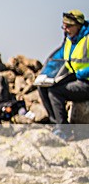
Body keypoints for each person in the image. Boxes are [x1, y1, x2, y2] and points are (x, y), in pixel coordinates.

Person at [36, 10, 89, 141]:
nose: (65, 29)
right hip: (76, 76)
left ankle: (65, 132)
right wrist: (45, 75)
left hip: (86, 81)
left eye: (69, 26)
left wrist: (83, 73)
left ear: (79, 25)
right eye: (64, 26)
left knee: (55, 92)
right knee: (42, 88)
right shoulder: (69, 41)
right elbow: (57, 59)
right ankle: (57, 125)